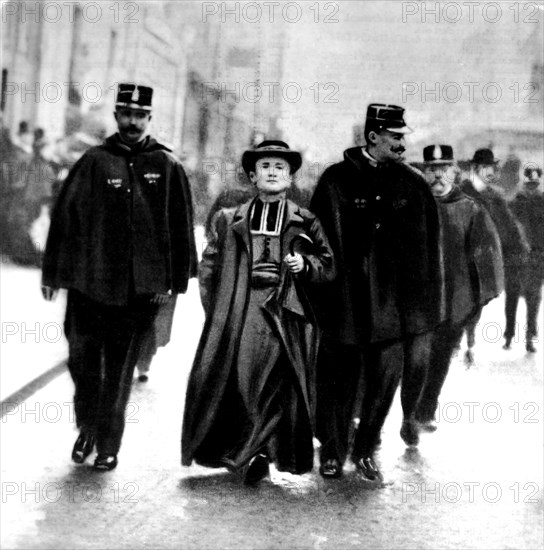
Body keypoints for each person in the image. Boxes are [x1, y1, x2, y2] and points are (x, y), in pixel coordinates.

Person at [42, 83, 197, 471]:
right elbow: (65, 218)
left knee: (120, 369)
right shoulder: (94, 161)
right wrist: (54, 273)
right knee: (82, 360)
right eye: (125, 113)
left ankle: (109, 444)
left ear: (149, 118)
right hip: (89, 285)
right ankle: (89, 427)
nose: (132, 121)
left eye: (139, 115)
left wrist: (171, 282)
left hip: (137, 292)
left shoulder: (167, 165)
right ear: (115, 116)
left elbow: (181, 227)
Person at [181, 140, 335, 485]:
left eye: (280, 168)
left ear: (290, 176)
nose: (272, 173)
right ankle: (245, 447)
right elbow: (209, 268)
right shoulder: (228, 219)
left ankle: (259, 452)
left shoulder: (306, 220)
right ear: (252, 175)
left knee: (277, 385)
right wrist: (219, 312)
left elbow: (328, 266)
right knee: (240, 382)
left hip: (285, 315)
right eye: (265, 167)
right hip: (240, 312)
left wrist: (305, 264)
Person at [310, 104, 444, 480]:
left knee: (384, 381)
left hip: (396, 307)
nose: (403, 143)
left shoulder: (414, 183)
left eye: (403, 136)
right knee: (340, 379)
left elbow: (429, 253)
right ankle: (333, 451)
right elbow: (320, 244)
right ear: (374, 136)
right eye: (396, 136)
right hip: (346, 302)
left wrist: (426, 309)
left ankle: (366, 450)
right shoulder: (336, 180)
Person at [415, 145, 503, 431]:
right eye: (431, 169)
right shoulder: (413, 206)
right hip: (417, 299)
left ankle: (425, 410)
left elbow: (488, 250)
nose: (438, 175)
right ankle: (407, 411)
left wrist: (482, 295)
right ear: (423, 172)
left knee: (440, 356)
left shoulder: (470, 208)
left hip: (454, 301)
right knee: (414, 359)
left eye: (444, 168)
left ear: (455, 170)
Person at [460, 148, 529, 365]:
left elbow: (509, 224)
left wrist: (520, 244)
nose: (491, 172)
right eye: (487, 168)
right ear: (476, 168)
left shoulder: (494, 195)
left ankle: (467, 338)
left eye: (492, 168)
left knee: (476, 302)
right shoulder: (462, 192)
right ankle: (464, 341)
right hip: (463, 257)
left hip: (487, 258)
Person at [504, 166, 544, 353]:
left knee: (533, 299)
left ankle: (528, 336)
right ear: (524, 182)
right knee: (512, 297)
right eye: (530, 184)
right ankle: (510, 334)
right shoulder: (514, 203)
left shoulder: (541, 202)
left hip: (536, 257)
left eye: (535, 184)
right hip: (517, 258)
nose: (532, 187)